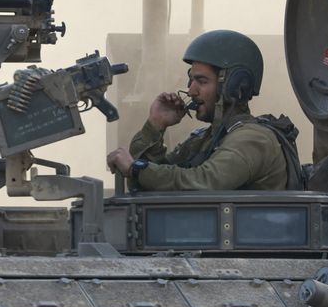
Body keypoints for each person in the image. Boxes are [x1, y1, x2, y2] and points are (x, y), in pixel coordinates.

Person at [106, 29, 292, 191]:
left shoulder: (253, 139)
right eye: (191, 80)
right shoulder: (206, 139)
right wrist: (155, 126)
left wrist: (136, 168)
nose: (191, 90)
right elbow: (149, 183)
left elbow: (205, 182)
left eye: (202, 81)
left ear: (234, 87)